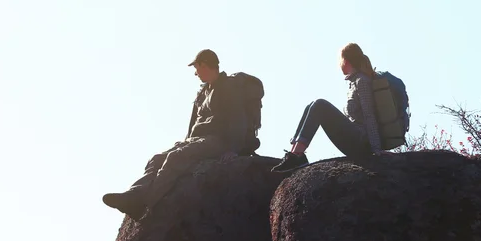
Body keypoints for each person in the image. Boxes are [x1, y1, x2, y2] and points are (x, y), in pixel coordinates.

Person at [102, 49, 248, 221]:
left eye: (197, 67)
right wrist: (186, 142)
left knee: (175, 158)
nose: (195, 73)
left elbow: (239, 119)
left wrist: (233, 149)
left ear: (205, 65)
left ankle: (145, 204)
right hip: (197, 140)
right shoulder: (202, 93)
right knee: (157, 159)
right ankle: (134, 194)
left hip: (217, 141)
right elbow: (193, 126)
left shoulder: (227, 87)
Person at [271, 43, 382, 173]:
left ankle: (297, 156)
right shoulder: (354, 82)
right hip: (355, 139)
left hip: (362, 143)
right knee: (311, 106)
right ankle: (295, 154)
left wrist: (376, 149)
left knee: (320, 105)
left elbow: (369, 115)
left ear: (345, 61)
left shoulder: (362, 81)